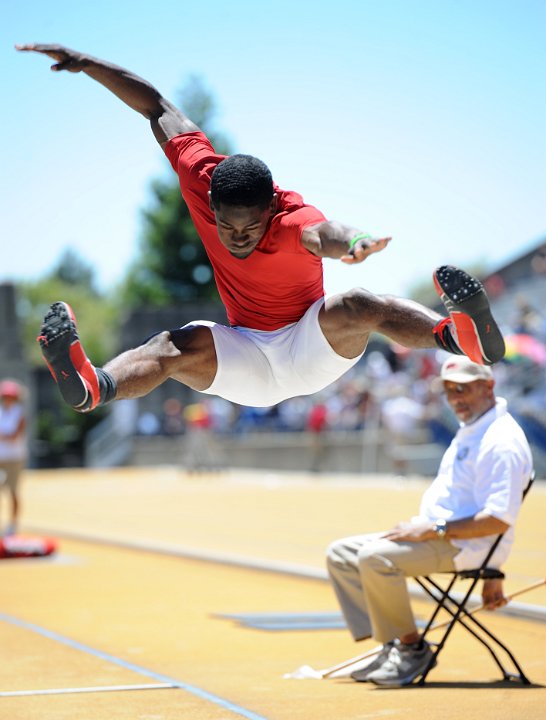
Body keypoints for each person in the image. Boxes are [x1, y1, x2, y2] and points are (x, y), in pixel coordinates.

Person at [17, 44, 505, 414]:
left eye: (250, 229)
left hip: (310, 347)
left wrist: (354, 243)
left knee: (359, 304)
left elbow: (327, 234)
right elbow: (158, 107)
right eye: (227, 228)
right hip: (245, 356)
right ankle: (93, 386)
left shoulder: (293, 218)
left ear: (271, 208)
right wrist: (90, 65)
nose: (238, 239)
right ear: (211, 201)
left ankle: (458, 338)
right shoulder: (200, 173)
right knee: (171, 346)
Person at [326, 356, 533, 687]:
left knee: (375, 558)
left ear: (489, 386)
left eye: (462, 389)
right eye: (449, 391)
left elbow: (498, 519)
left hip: (460, 543)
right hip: (441, 536)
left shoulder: (501, 441)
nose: (455, 399)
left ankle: (411, 649)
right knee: (341, 553)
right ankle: (391, 643)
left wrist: (437, 531)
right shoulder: (474, 427)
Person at [0, 380, 27, 537]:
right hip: (1, 456)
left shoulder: (19, 413)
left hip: (14, 457)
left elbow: (14, 436)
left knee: (13, 491)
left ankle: (12, 524)